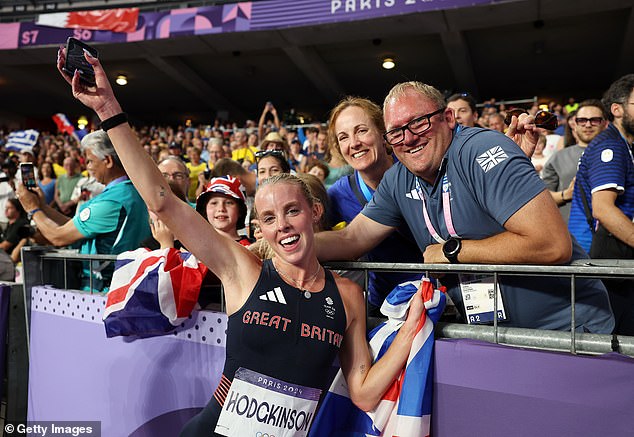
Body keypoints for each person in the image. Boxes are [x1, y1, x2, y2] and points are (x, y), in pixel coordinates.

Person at [58, 48, 427, 437]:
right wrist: (108, 108)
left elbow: (366, 393)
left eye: (292, 211)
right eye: (268, 218)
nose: (282, 226)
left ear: (315, 213)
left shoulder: (349, 296)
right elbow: (161, 200)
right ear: (260, 229)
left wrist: (413, 325)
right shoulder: (243, 271)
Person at [315, 81, 614, 333]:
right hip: (492, 334)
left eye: (419, 122)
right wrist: (284, 243)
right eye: (396, 132)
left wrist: (451, 252)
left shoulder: (479, 149)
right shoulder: (399, 178)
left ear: (448, 118)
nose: (408, 138)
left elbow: (551, 244)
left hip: (566, 331)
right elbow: (351, 239)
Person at [15, 130, 151, 291]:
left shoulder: (113, 201)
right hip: (122, 283)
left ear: (107, 160)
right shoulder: (132, 191)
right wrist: (43, 207)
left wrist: (32, 209)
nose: (88, 167)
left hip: (104, 289)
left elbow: (58, 237)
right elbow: (73, 226)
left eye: (90, 161)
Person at [327, 96, 426, 315]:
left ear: (384, 134)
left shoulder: (418, 169)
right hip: (385, 308)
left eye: (362, 130)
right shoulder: (336, 196)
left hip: (438, 298)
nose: (354, 143)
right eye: (343, 137)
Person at [568, 74, 634, 335]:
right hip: (609, 255)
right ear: (617, 110)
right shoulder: (610, 147)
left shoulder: (623, 146)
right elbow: (604, 209)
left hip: (615, 252)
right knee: (621, 335)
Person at [542, 100, 608, 223]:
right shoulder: (559, 158)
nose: (588, 125)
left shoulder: (619, 154)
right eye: (582, 120)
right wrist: (566, 194)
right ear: (574, 124)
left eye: (594, 120)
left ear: (605, 124)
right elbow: (543, 198)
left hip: (611, 233)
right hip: (571, 234)